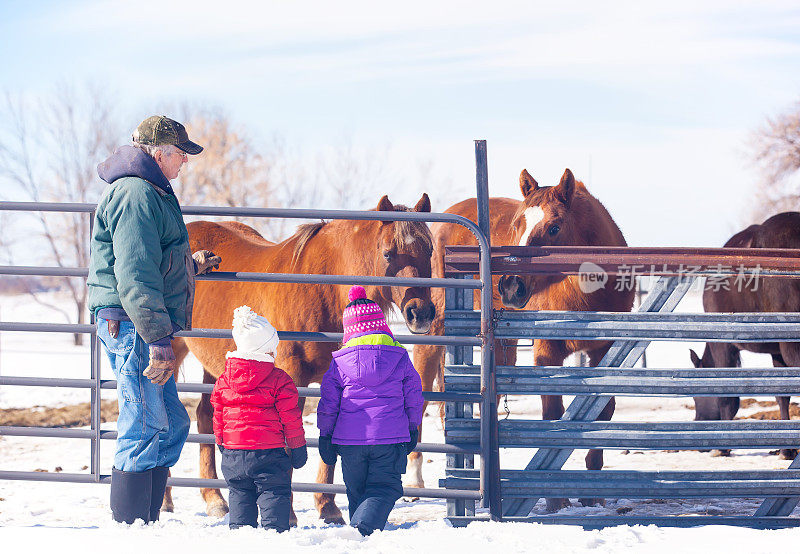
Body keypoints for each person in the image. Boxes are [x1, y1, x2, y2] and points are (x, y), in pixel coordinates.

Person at [87, 115, 222, 524]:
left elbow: (150, 259)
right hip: (133, 324)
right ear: (160, 152)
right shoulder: (135, 194)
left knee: (172, 421)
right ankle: (131, 524)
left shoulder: (151, 192)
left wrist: (188, 266)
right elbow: (135, 273)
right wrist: (160, 339)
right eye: (181, 153)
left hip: (140, 320)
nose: (185, 162)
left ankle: (147, 514)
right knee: (143, 420)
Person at [317, 285, 424, 536]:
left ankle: (359, 538)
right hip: (389, 439)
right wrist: (412, 426)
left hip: (349, 442)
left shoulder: (339, 362)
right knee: (384, 489)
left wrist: (325, 435)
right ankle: (360, 531)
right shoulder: (399, 356)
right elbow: (414, 395)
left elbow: (328, 402)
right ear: (381, 324)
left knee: (357, 492)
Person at [211, 306, 308, 531]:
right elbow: (291, 418)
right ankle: (274, 539)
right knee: (274, 495)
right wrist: (297, 447)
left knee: (239, 497)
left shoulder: (224, 379)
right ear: (266, 350)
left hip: (233, 455)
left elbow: (218, 414)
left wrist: (221, 442)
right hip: (269, 454)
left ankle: (241, 537)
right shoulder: (280, 380)